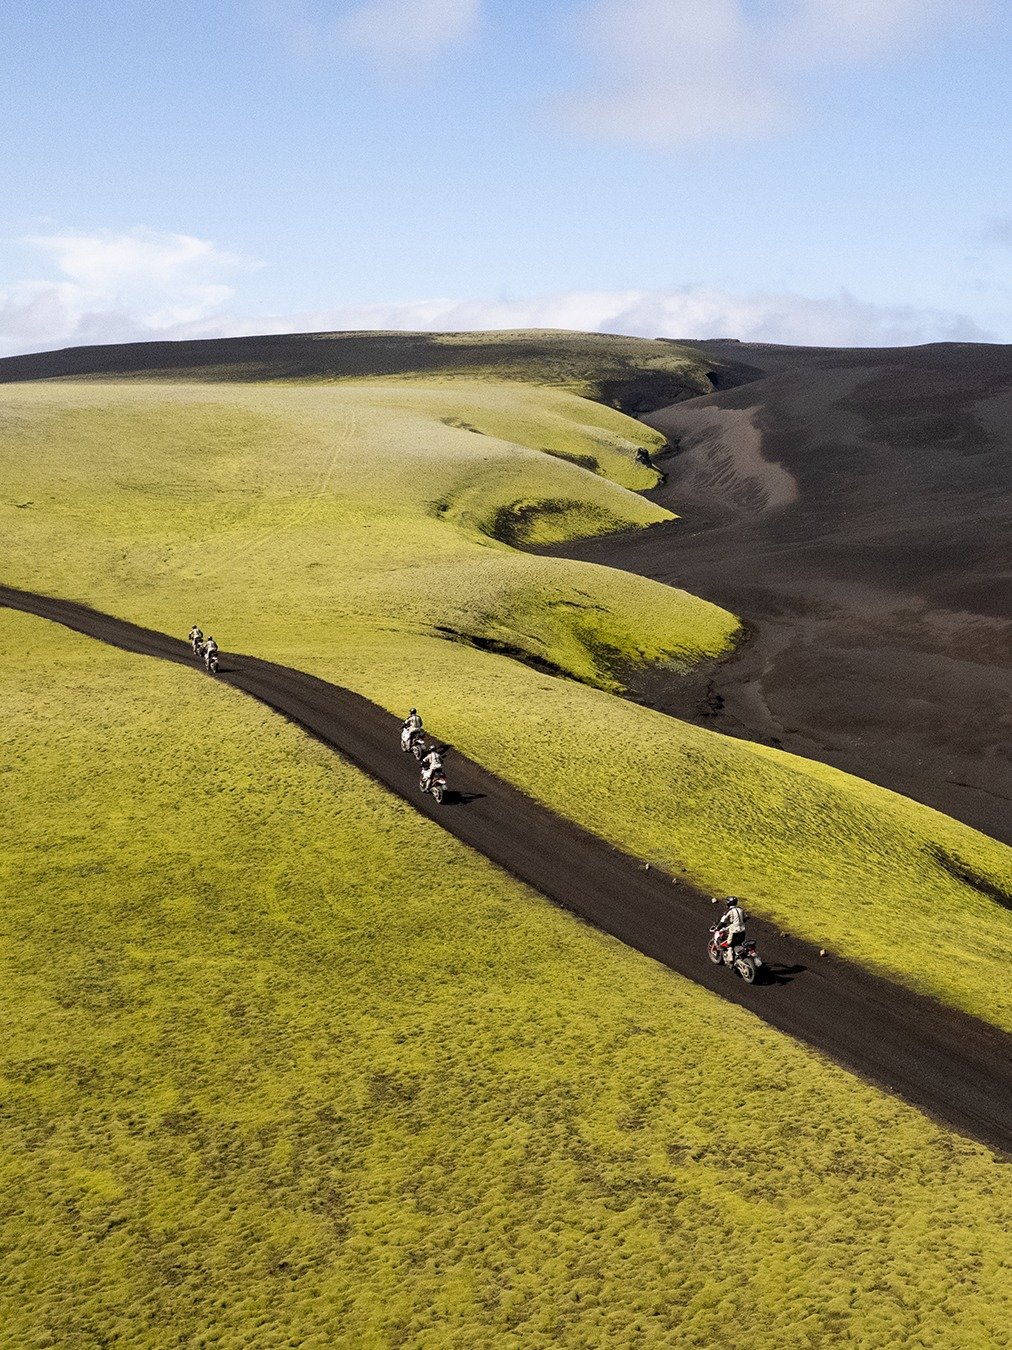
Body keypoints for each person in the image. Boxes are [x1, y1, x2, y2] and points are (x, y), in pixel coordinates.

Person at [715, 897, 747, 964]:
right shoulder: (741, 909)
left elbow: (722, 921)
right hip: (742, 930)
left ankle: (730, 960)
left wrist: (717, 928)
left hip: (734, 931)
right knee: (738, 943)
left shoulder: (729, 911)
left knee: (729, 944)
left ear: (729, 903)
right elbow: (746, 918)